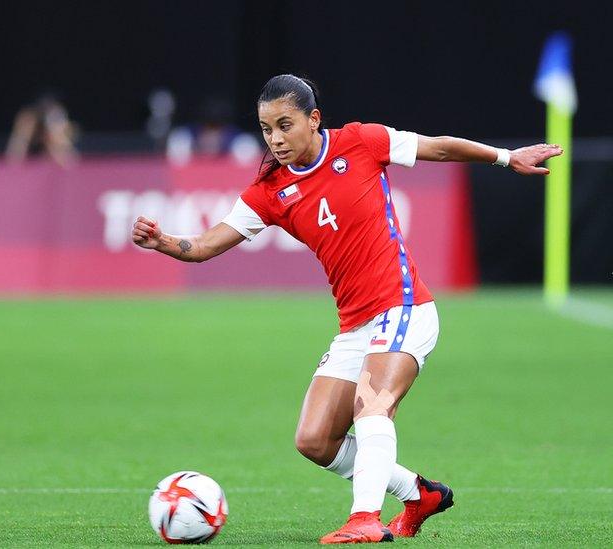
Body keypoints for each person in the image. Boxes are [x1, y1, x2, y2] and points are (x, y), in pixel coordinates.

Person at [132, 74, 562, 544]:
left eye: (284, 125)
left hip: (404, 307)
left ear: (313, 119)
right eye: (265, 129)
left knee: (372, 405)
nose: (275, 139)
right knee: (314, 440)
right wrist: (164, 242)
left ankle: (364, 518)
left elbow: (436, 148)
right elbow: (206, 244)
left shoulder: (360, 141)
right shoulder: (270, 191)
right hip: (355, 325)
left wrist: (506, 157)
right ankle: (419, 493)